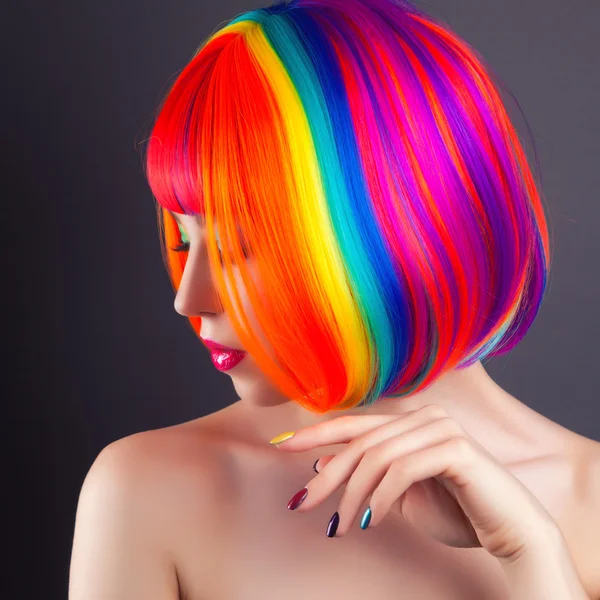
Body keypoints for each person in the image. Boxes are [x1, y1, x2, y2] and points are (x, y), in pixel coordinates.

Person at [69, 0, 600, 598]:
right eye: (184, 239)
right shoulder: (149, 489)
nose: (190, 297)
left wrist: (529, 552)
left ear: (404, 232)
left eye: (242, 246)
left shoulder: (592, 501)